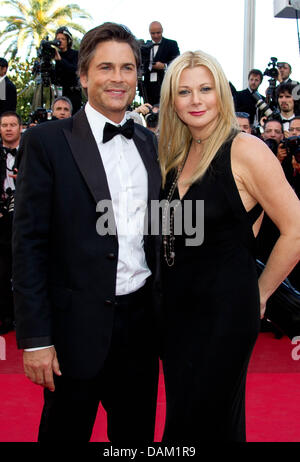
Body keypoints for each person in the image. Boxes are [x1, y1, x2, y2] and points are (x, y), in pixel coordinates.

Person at [12, 22, 161, 443]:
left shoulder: (150, 144)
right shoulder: (46, 142)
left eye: (128, 68)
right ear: (83, 76)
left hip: (140, 328)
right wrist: (36, 339)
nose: (118, 78)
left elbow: (162, 228)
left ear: (137, 76)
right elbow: (29, 245)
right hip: (72, 329)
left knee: (135, 441)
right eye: (106, 67)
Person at [158, 50, 300, 442]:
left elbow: (296, 229)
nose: (196, 100)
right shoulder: (175, 154)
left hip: (224, 313)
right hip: (176, 315)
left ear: (221, 92)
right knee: (183, 421)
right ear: (172, 100)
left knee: (208, 423)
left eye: (205, 88)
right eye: (184, 92)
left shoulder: (246, 150)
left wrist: (260, 292)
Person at [0, 111, 22, 335]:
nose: (8, 128)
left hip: (25, 218)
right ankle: (6, 316)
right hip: (2, 222)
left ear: (20, 127)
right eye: (4, 125)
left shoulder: (31, 152)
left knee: (24, 268)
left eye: (12, 124)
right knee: (2, 270)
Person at [143, 21, 180, 105]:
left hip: (164, 82)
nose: (156, 36)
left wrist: (164, 66)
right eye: (153, 33)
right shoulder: (145, 46)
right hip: (148, 86)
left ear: (162, 31)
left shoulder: (171, 44)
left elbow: (177, 62)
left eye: (158, 33)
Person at [54, 27, 82, 114]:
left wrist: (60, 60)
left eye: (63, 39)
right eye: (58, 39)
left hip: (73, 94)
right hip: (59, 93)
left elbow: (75, 70)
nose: (60, 41)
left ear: (68, 41)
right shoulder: (54, 54)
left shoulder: (75, 54)